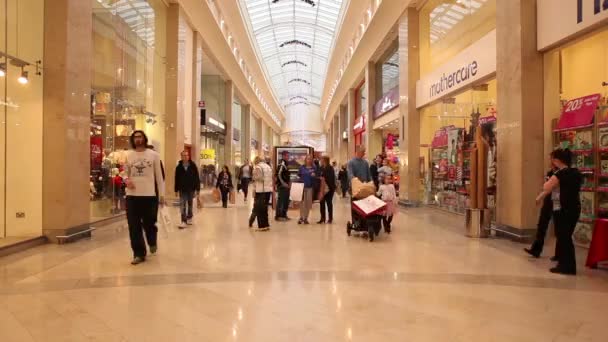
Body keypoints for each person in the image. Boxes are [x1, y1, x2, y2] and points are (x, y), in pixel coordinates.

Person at [535, 148, 581, 275]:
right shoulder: (575, 172)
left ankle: (567, 266)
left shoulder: (560, 174)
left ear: (556, 160)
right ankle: (566, 264)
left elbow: (546, 187)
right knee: (566, 237)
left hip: (562, 209)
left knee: (564, 237)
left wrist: (552, 179)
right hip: (574, 208)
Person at [124, 130, 165, 265]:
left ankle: (152, 241)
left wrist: (162, 195)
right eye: (135, 137)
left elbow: (159, 177)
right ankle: (138, 253)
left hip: (149, 196)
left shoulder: (154, 155)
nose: (138, 139)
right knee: (133, 226)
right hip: (132, 196)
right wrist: (126, 180)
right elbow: (124, 173)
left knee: (149, 224)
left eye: (140, 137)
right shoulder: (128, 156)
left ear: (144, 139)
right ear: (133, 140)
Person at [525, 165, 558, 259]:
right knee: (542, 225)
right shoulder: (550, 173)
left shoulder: (561, 173)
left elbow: (550, 188)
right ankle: (536, 249)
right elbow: (547, 187)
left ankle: (559, 254)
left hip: (557, 202)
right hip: (548, 201)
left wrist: (540, 196)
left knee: (559, 229)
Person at [175, 150, 200, 229]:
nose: (185, 157)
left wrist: (197, 189)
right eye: (183, 155)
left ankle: (189, 217)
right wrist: (176, 190)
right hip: (182, 189)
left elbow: (196, 178)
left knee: (190, 204)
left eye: (186, 155)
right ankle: (183, 221)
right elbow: (176, 178)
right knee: (182, 205)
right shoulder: (179, 167)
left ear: (188, 156)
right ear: (181, 157)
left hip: (191, 188)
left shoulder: (193, 165)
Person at [249, 157, 273, 231]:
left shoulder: (258, 167)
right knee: (265, 209)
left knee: (260, 209)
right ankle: (266, 225)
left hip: (261, 190)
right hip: (268, 190)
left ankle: (262, 226)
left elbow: (259, 177)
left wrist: (253, 177)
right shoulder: (268, 167)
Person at [298, 155, 318, 225]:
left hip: (310, 187)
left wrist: (314, 176)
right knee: (302, 203)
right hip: (302, 187)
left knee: (308, 203)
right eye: (307, 159)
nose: (308, 160)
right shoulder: (301, 167)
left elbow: (316, 177)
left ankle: (306, 218)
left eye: (310, 159)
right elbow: (299, 175)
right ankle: (301, 217)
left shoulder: (314, 168)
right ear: (305, 160)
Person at [318, 156, 337, 224]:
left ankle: (330, 218)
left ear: (325, 160)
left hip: (329, 189)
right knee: (321, 203)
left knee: (329, 203)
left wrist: (323, 178)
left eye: (322, 159)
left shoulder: (330, 168)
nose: (321, 161)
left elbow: (331, 178)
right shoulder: (320, 168)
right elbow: (318, 176)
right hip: (322, 188)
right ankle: (322, 218)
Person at [275, 150, 291, 221]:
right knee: (281, 200)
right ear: (283, 156)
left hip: (286, 186)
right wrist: (283, 183)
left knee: (286, 201)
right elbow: (278, 174)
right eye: (287, 156)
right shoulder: (282, 164)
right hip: (282, 186)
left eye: (288, 156)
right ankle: (278, 216)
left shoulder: (286, 164)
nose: (288, 157)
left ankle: (284, 215)